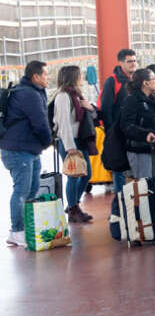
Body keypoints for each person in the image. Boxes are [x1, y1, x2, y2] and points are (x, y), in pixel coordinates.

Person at [1, 61, 52, 246]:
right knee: (21, 190)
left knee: (32, 189)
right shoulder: (29, 94)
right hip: (17, 150)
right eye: (46, 74)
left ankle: (27, 227)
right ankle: (17, 231)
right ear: (36, 77)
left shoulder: (33, 91)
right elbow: (39, 122)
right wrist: (48, 141)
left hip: (28, 149)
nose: (48, 77)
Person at [52, 65, 96, 223]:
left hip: (80, 139)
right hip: (69, 141)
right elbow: (64, 123)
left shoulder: (76, 95)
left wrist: (90, 107)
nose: (81, 78)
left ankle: (73, 205)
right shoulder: (63, 96)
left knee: (86, 174)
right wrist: (70, 146)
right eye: (79, 75)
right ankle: (73, 209)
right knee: (74, 175)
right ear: (72, 77)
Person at [119, 68, 155, 181]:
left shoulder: (152, 99)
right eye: (154, 79)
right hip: (139, 150)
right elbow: (126, 125)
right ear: (145, 83)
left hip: (152, 149)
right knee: (144, 186)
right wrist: (144, 135)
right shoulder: (132, 100)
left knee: (154, 184)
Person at [100, 48, 138, 193]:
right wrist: (111, 132)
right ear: (121, 63)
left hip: (134, 132)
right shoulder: (112, 81)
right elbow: (106, 108)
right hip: (118, 134)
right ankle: (120, 207)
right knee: (120, 170)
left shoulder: (136, 80)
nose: (133, 64)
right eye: (129, 61)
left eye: (134, 61)